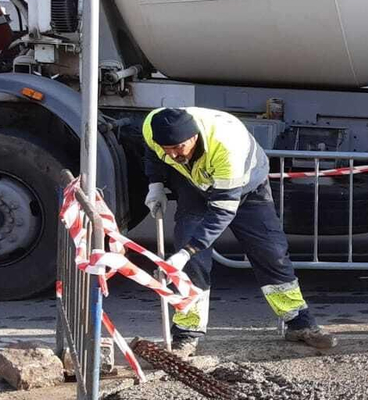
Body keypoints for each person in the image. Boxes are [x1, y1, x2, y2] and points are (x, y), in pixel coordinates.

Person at [142, 106, 334, 356]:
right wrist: (155, 184)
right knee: (193, 266)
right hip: (194, 185)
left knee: (271, 254)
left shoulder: (227, 148)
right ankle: (186, 334)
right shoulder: (153, 126)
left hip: (246, 189)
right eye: (167, 149)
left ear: (194, 137)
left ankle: (299, 322)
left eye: (179, 148)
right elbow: (152, 152)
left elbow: (222, 212)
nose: (173, 154)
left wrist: (186, 252)